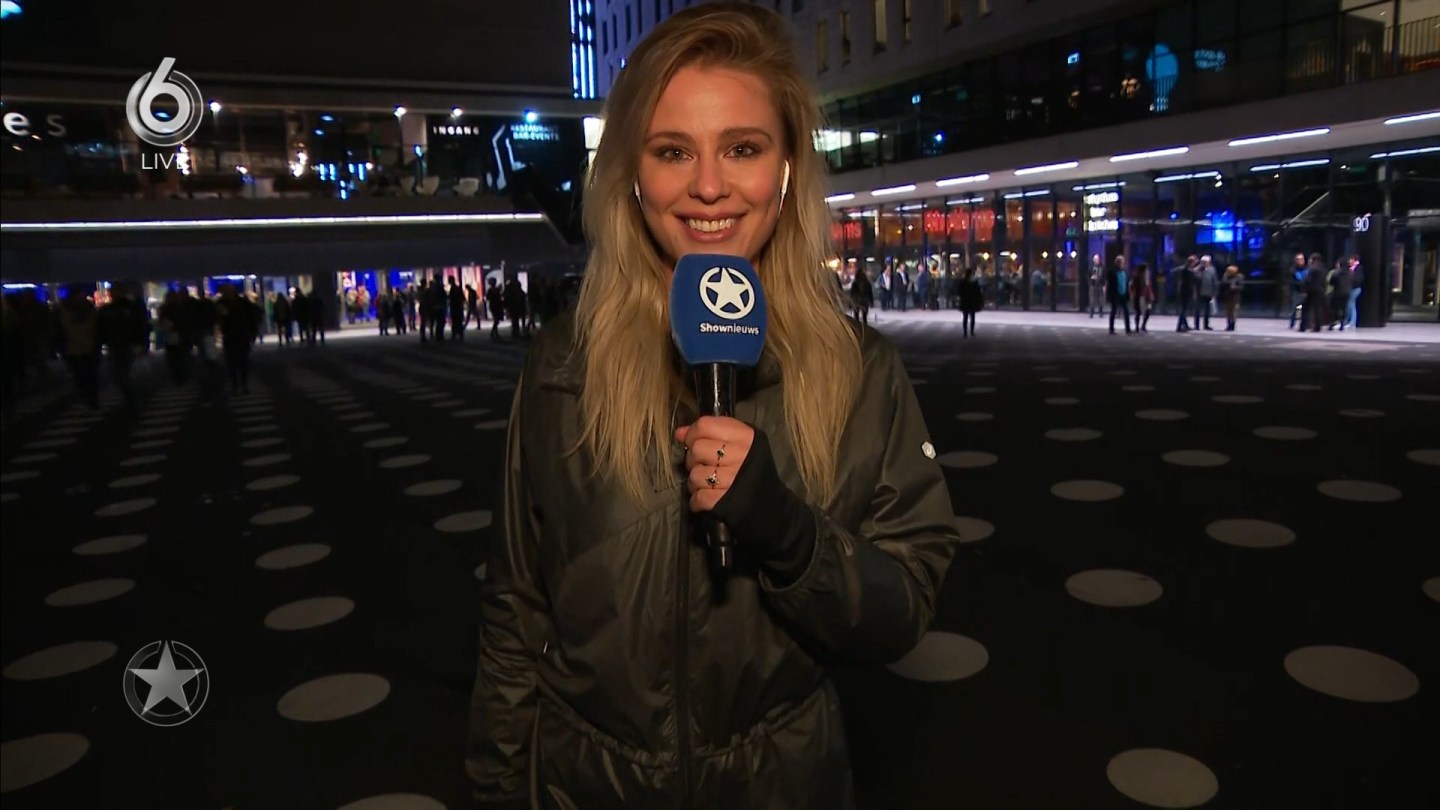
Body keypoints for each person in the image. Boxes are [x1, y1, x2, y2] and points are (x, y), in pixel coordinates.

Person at [465, 5, 960, 808]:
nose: (707, 186)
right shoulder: (563, 362)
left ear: (786, 168)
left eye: (742, 148)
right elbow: (515, 607)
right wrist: (495, 788)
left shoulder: (861, 371)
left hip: (782, 784)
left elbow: (903, 606)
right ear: (632, 173)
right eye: (672, 151)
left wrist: (790, 535)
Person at [958, 265, 983, 337]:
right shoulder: (974, 282)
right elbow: (978, 292)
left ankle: (965, 332)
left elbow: (959, 291)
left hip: (965, 300)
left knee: (965, 317)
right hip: (972, 301)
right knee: (972, 316)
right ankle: (971, 331)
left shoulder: (963, 282)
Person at [1220, 264, 1244, 331]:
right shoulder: (1226, 277)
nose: (1227, 272)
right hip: (1228, 297)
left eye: (1229, 271)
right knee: (1228, 312)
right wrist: (1225, 276)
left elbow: (1241, 287)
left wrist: (1235, 287)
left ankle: (1233, 325)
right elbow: (1223, 285)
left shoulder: (1239, 277)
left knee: (1234, 312)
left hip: (1235, 298)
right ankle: (1229, 325)